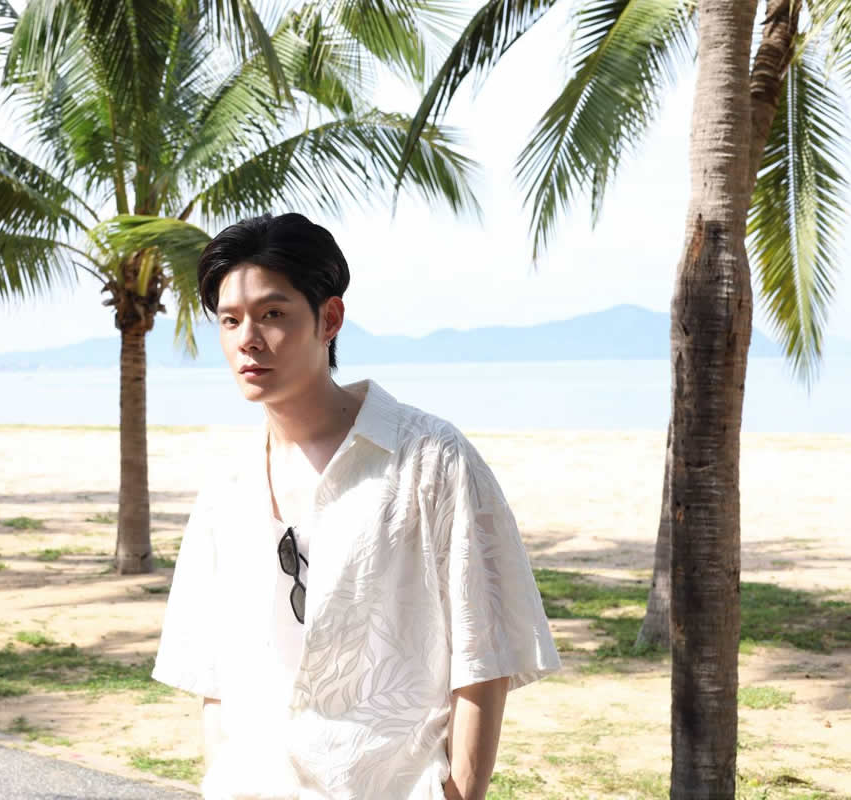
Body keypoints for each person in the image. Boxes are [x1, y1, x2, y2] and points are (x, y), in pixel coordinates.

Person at [151, 212, 561, 800]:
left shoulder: (428, 458)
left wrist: (460, 795)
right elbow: (215, 677)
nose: (248, 339)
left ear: (330, 319)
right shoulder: (227, 487)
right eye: (231, 320)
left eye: (273, 314)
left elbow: (485, 652)